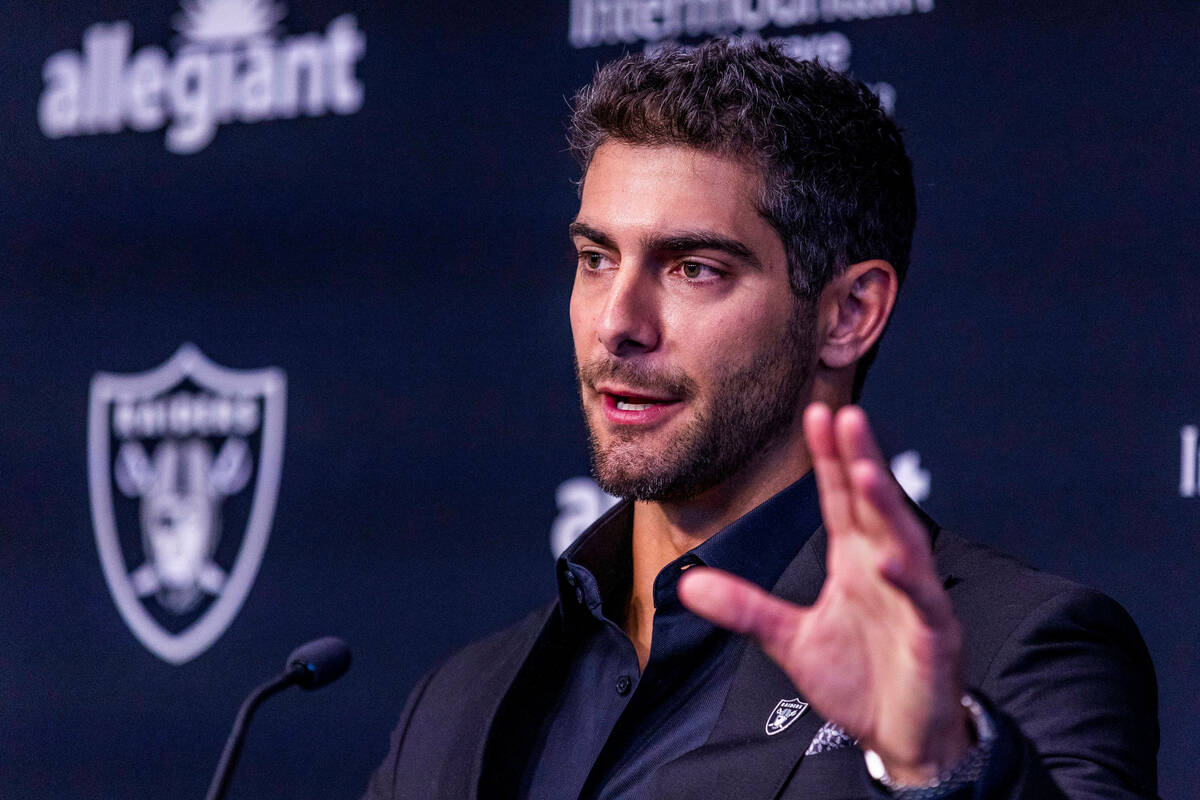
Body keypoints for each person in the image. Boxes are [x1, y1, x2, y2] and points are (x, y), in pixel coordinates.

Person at [363, 40, 1157, 799]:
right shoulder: (457, 705)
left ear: (848, 313)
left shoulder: (1017, 650)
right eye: (595, 259)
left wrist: (939, 764)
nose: (617, 323)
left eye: (693, 269)